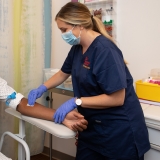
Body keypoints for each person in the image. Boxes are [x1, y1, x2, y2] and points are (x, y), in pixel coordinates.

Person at [27, 2, 150, 160]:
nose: (63, 34)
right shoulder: (77, 48)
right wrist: (42, 88)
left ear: (78, 25)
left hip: (119, 131)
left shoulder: (105, 51)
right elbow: (63, 73)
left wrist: (76, 102)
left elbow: (117, 98)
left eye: (64, 30)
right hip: (92, 127)